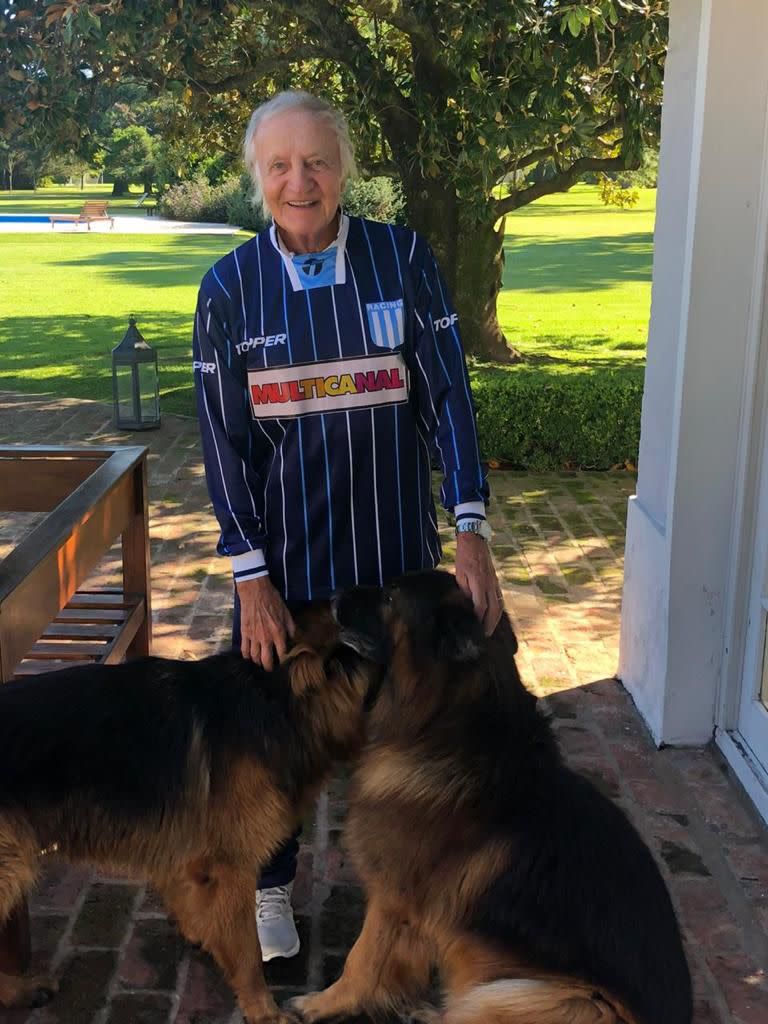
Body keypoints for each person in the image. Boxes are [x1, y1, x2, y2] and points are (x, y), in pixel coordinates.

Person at [192, 90, 502, 962]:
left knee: (405, 737)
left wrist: (470, 526)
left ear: (345, 169)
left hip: (396, 569)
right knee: (275, 749)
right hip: (289, 577)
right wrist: (250, 580)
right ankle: (271, 894)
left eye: (317, 161)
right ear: (258, 177)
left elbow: (449, 398)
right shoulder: (228, 290)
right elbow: (223, 446)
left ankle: (403, 897)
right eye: (281, 165)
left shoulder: (402, 259)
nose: (302, 181)